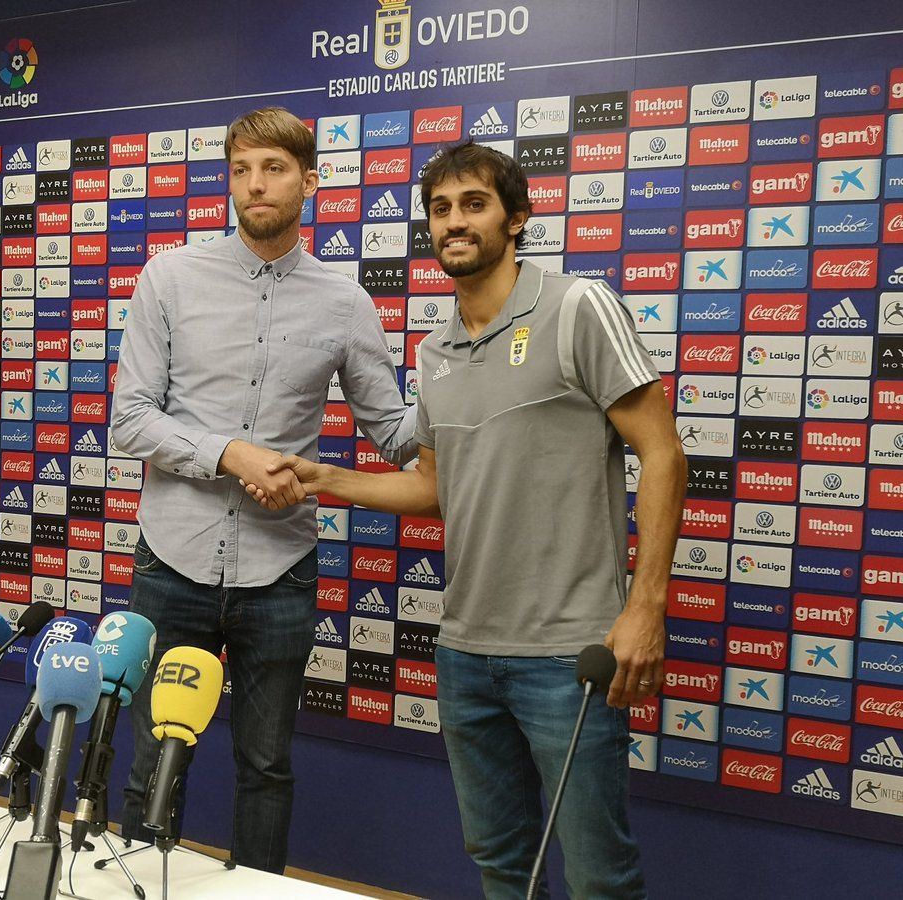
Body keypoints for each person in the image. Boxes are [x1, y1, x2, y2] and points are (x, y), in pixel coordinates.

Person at [248, 141, 686, 897]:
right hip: (467, 653)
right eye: (441, 209)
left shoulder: (579, 305)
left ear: (516, 219)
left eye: (474, 204)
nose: (455, 222)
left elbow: (665, 454)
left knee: (598, 877)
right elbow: (435, 488)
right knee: (499, 864)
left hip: (569, 652)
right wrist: (327, 477)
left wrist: (646, 607)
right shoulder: (435, 349)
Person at [109, 106, 417, 873]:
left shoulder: (345, 302)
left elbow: (399, 435)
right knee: (152, 759)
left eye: (274, 168)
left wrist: (469, 374)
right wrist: (231, 454)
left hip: (280, 572)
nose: (256, 184)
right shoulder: (170, 277)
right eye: (241, 169)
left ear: (310, 181)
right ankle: (139, 887)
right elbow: (131, 419)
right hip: (170, 564)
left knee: (267, 770)